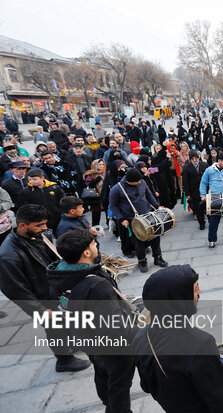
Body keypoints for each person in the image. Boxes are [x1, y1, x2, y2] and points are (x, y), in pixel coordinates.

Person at [132, 265, 223, 413]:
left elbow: (146, 386)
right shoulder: (200, 345)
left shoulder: (140, 337)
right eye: (195, 288)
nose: (200, 292)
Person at [47, 229, 135, 413]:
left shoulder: (58, 273)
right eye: (94, 244)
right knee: (119, 383)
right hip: (111, 345)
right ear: (86, 253)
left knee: (101, 372)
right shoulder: (95, 285)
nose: (97, 246)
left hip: (85, 337)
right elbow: (114, 328)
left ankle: (107, 403)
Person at [0, 205, 91, 372]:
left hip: (54, 290)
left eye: (44, 224)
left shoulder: (36, 235)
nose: (45, 228)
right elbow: (15, 289)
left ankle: (69, 344)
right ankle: (64, 360)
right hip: (41, 298)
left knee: (65, 323)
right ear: (22, 225)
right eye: (39, 225)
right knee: (54, 328)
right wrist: (39, 310)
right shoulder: (8, 255)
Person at [109, 168, 169, 273]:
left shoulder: (142, 182)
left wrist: (157, 206)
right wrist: (121, 219)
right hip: (132, 218)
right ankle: (142, 261)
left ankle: (158, 257)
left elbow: (149, 195)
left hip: (148, 214)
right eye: (137, 181)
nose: (140, 182)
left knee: (156, 236)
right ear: (129, 181)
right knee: (138, 240)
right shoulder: (117, 189)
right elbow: (113, 206)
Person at [182, 150, 208, 230]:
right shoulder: (187, 167)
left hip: (205, 190)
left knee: (208, 207)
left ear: (198, 157)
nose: (194, 160)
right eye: (192, 158)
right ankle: (201, 223)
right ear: (190, 159)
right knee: (198, 208)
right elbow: (185, 181)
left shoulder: (204, 165)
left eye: (196, 158)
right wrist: (188, 193)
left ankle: (211, 221)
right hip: (194, 191)